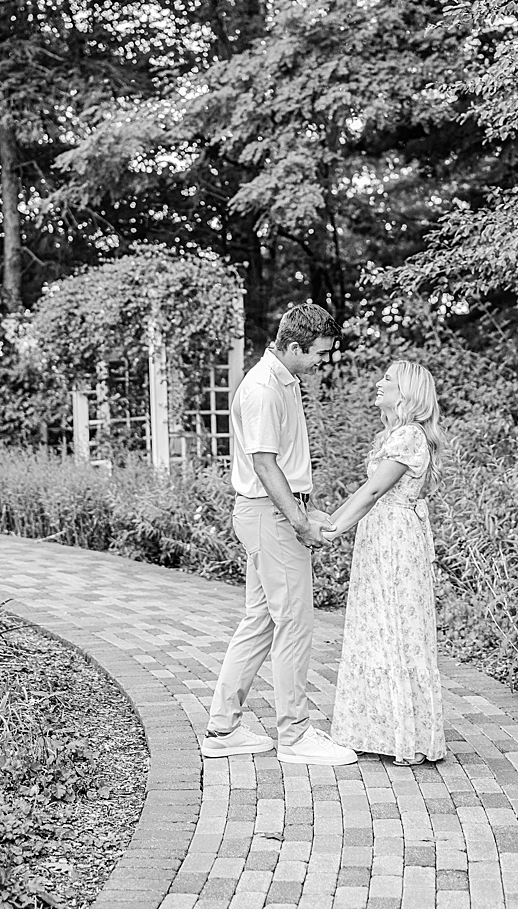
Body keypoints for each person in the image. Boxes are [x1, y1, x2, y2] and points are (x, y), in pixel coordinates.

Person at [202, 303, 357, 766]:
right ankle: (295, 735)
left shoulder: (283, 381)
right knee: (295, 622)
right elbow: (265, 464)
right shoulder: (264, 389)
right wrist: (299, 520)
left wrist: (307, 507)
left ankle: (223, 729)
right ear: (293, 347)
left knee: (262, 620)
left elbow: (283, 464)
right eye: (318, 354)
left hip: (271, 512)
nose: (321, 363)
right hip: (269, 515)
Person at [320, 360, 448, 766]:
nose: (378, 383)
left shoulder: (409, 436)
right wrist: (330, 522)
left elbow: (375, 490)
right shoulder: (394, 435)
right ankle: (379, 728)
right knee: (377, 626)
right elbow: (368, 492)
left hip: (394, 541)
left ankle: (404, 735)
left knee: (394, 627)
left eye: (388, 380)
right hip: (381, 536)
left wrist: (331, 530)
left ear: (407, 393)